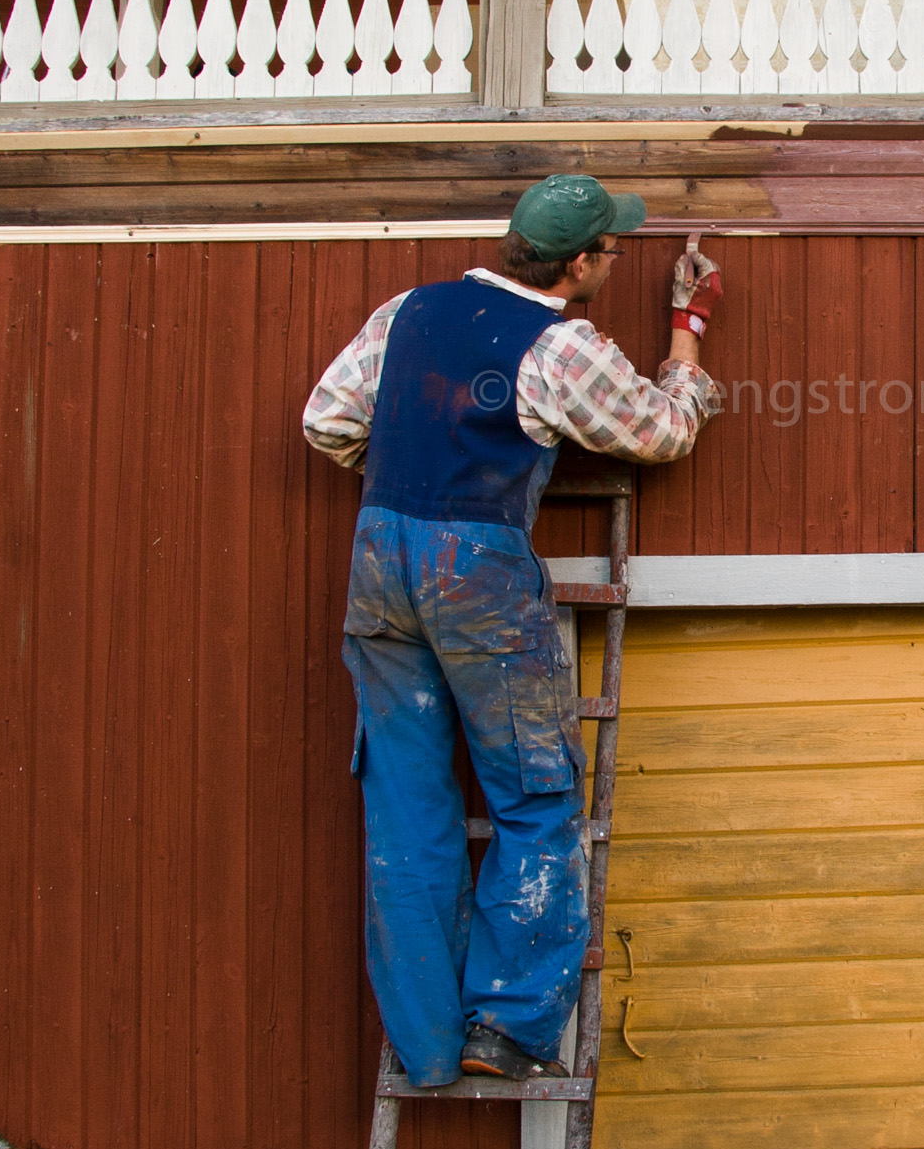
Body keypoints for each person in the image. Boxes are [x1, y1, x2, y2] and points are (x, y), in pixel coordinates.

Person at [302, 174, 724, 1088]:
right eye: (609, 251)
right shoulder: (562, 347)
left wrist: (423, 461)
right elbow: (661, 433)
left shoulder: (406, 311)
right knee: (535, 795)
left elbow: (326, 423)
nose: (612, 261)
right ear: (577, 264)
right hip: (476, 573)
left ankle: (423, 1047)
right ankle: (504, 1026)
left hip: (379, 559)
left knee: (405, 808)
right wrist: (687, 331)